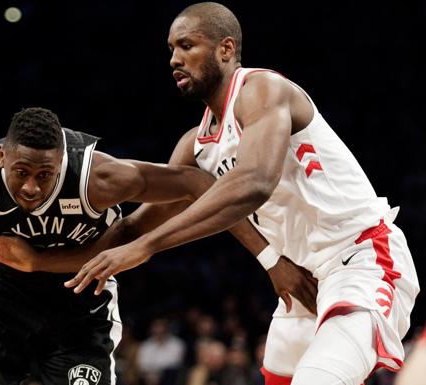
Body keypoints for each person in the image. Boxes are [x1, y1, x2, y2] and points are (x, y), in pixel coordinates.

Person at [61, 3, 420, 385]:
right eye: (170, 49)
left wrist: (148, 246)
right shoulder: (195, 146)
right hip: (303, 281)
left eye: (186, 46)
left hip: (362, 258)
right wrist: (33, 259)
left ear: (226, 50)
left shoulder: (262, 89)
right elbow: (131, 230)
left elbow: (254, 182)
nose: (174, 59)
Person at [0, 106, 265, 385]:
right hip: (1, 308)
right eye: (21, 173)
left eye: (45, 175)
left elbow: (195, 184)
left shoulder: (99, 178)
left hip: (81, 309)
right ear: (2, 158)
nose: (31, 187)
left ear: (63, 162)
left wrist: (269, 258)